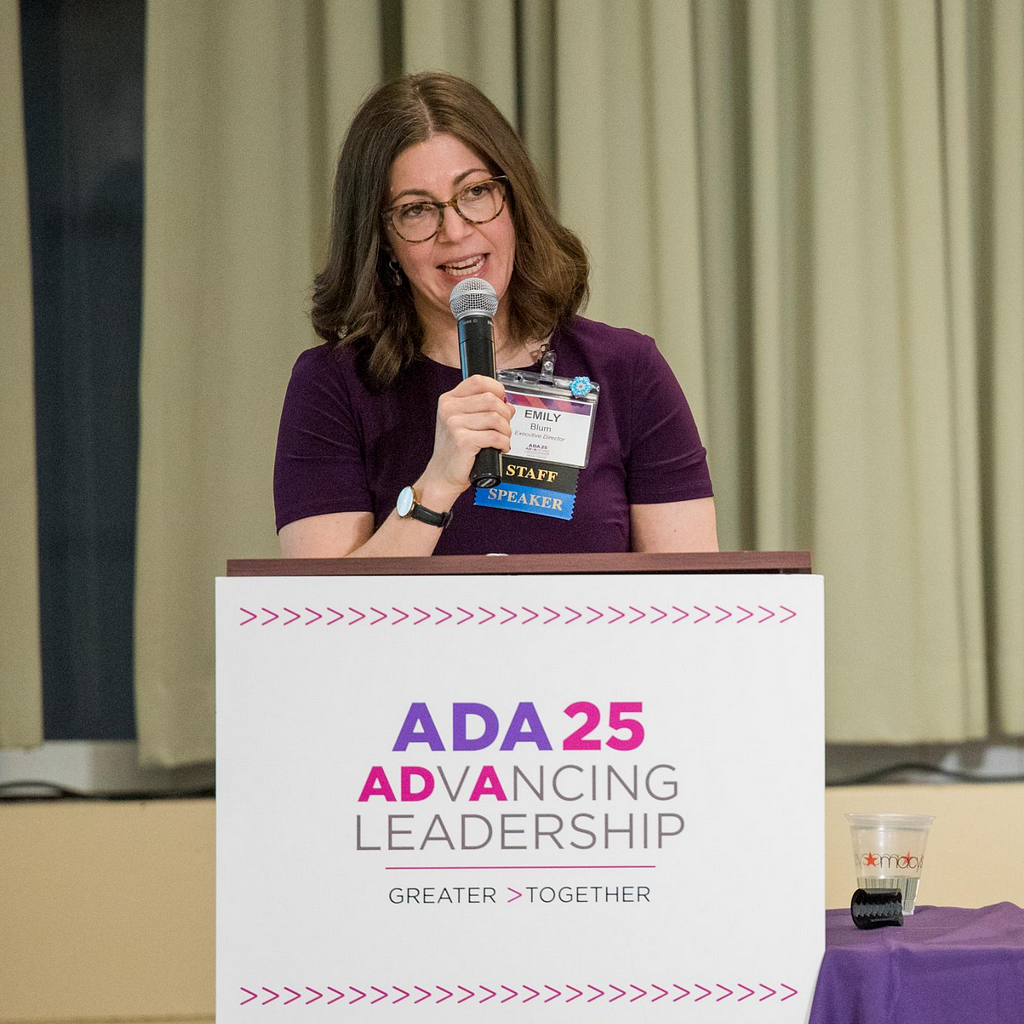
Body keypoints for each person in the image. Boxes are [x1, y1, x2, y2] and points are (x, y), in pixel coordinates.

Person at [274, 72, 717, 557]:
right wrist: (436, 486)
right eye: (417, 209)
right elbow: (323, 622)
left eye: (476, 193)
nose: (456, 231)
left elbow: (689, 608)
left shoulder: (627, 370)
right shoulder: (332, 388)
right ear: (381, 240)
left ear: (515, 200)